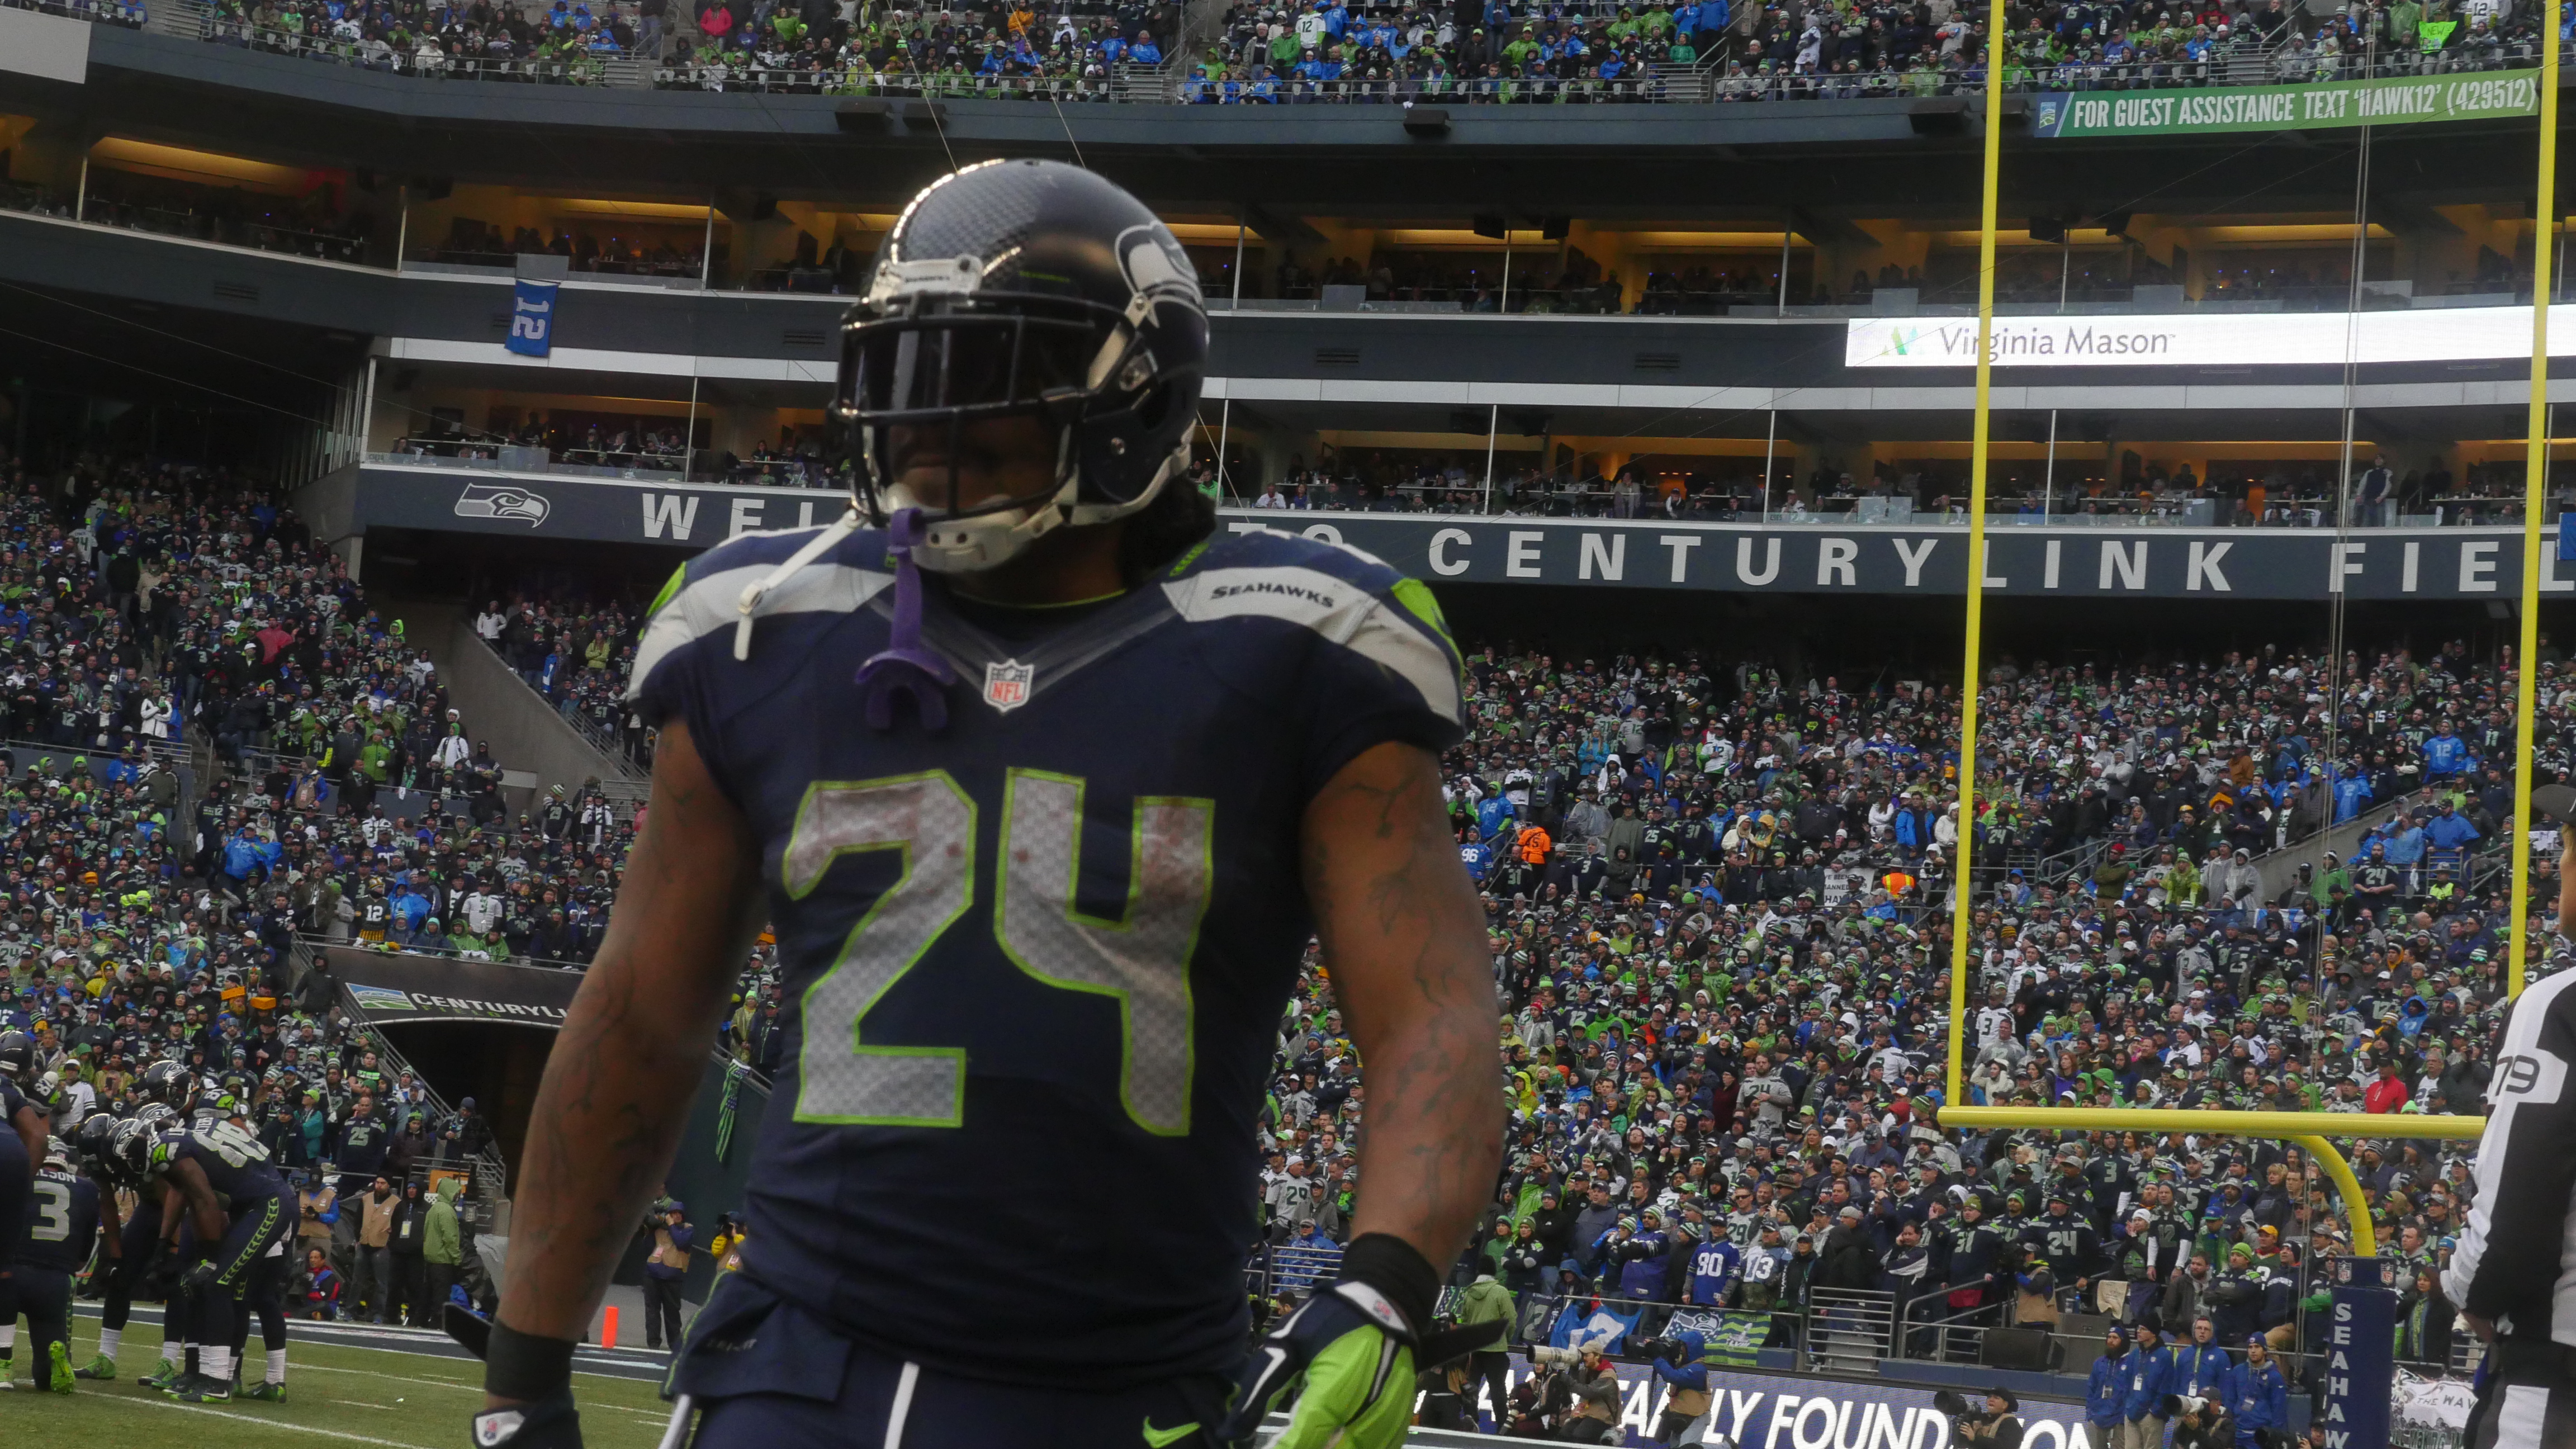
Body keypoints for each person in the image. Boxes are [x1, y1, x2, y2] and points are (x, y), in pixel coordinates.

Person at [473, 159, 1502, 1449]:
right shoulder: (762, 627)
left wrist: (1386, 1280)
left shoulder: (1303, 639)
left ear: (1132, 396)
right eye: (904, 388)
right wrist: (524, 1375)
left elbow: (1434, 1015)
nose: (921, 439)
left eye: (978, 394)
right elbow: (643, 1009)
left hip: (1120, 1396)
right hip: (793, 1370)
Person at [2442, 834, 2576, 1448]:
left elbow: (2517, 1195)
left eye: (2568, 853)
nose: (2557, 872)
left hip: (2555, 1372)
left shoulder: (2556, 1004)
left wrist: (2473, 1292)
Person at [641, 1198, 692, 1352]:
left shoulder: (688, 1229)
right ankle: (653, 1343)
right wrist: (650, 1227)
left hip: (673, 1277)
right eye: (672, 1213)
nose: (676, 1216)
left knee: (672, 1313)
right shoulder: (658, 1229)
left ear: (682, 1216)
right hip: (653, 1274)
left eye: (679, 1214)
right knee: (652, 1311)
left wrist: (670, 1225)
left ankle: (674, 1344)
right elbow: (646, 1246)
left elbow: (682, 1243)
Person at [2224, 1336, 2286, 1448]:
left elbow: (2279, 1410)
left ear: (2265, 1350)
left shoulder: (2275, 1377)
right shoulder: (2238, 1371)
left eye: (2257, 1347)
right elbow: (2230, 1400)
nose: (2253, 1351)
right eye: (2250, 1347)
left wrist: (2274, 1438)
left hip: (2259, 1437)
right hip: (2238, 1433)